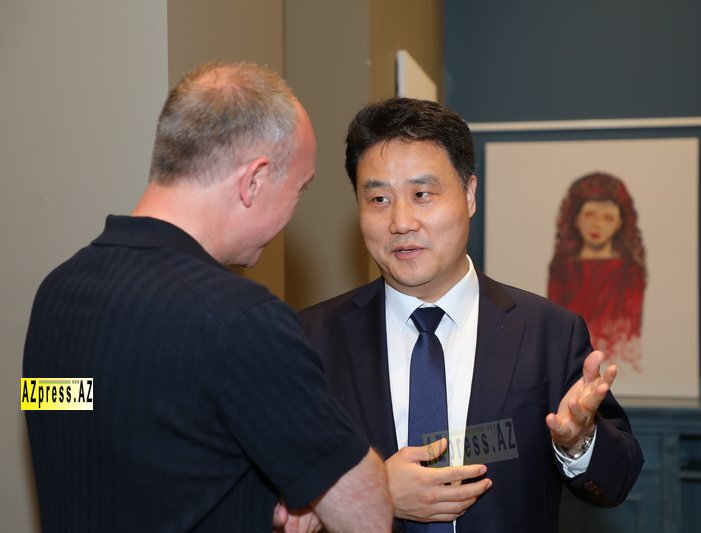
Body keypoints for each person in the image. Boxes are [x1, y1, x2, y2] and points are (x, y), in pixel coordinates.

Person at [23, 62, 391, 532]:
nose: (292, 213)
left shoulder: (56, 294)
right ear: (254, 180)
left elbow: (127, 444)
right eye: (299, 189)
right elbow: (366, 515)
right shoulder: (238, 319)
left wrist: (252, 499)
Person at [300, 97, 644, 532]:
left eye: (422, 195)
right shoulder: (309, 339)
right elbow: (265, 494)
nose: (401, 222)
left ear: (468, 195)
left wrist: (578, 442)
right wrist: (374, 490)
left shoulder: (548, 333)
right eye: (379, 199)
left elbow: (617, 481)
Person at [547, 172, 646, 372]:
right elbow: (553, 324)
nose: (597, 224)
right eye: (589, 215)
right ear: (575, 218)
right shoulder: (562, 267)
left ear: (620, 223)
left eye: (608, 218)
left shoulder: (630, 271)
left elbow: (628, 330)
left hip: (614, 360)